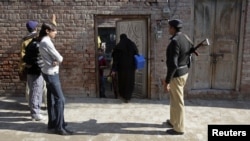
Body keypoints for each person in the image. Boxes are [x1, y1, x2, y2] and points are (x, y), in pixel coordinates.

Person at [38, 22, 73, 135]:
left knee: (52, 99)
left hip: (48, 72)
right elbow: (60, 58)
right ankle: (59, 126)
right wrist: (58, 60)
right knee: (60, 99)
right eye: (54, 30)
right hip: (51, 73)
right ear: (47, 31)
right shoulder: (46, 42)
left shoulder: (44, 41)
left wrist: (56, 60)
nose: (56, 32)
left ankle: (53, 123)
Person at [163, 19, 192, 135]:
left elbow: (173, 64)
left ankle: (179, 128)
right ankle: (173, 121)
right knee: (174, 98)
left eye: (169, 27)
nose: (168, 29)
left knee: (178, 101)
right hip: (184, 72)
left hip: (177, 75)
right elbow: (190, 53)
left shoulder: (175, 41)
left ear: (173, 29)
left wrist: (167, 81)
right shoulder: (186, 38)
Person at [21, 20, 46, 121]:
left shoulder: (26, 40)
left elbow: (24, 56)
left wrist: (25, 65)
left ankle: (36, 110)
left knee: (33, 91)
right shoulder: (35, 43)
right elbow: (34, 58)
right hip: (35, 70)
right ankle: (35, 113)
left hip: (30, 69)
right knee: (36, 91)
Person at [111, 34, 138, 103]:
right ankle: (128, 96)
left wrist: (114, 69)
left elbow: (115, 59)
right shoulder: (132, 45)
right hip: (131, 68)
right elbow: (137, 55)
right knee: (130, 82)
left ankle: (123, 95)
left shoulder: (119, 46)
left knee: (123, 82)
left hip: (122, 68)